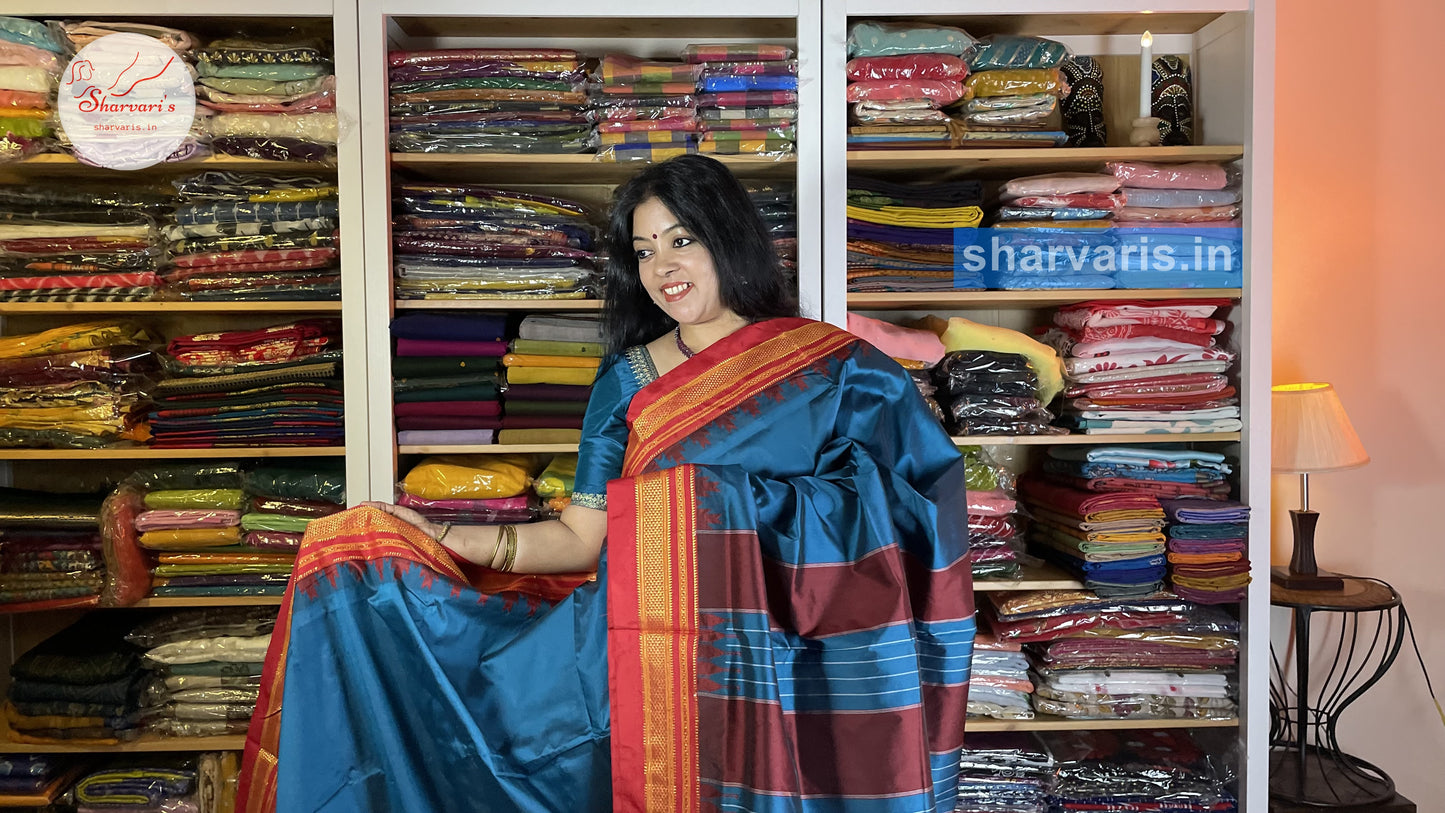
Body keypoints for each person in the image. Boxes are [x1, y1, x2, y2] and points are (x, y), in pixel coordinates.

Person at [238, 155, 974, 813]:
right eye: (643, 250)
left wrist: (714, 505)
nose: (662, 266)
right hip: (634, 653)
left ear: (729, 237)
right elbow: (580, 536)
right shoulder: (628, 379)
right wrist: (440, 535)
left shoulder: (834, 368)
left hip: (790, 660)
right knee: (468, 725)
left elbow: (916, 508)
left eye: (681, 239)